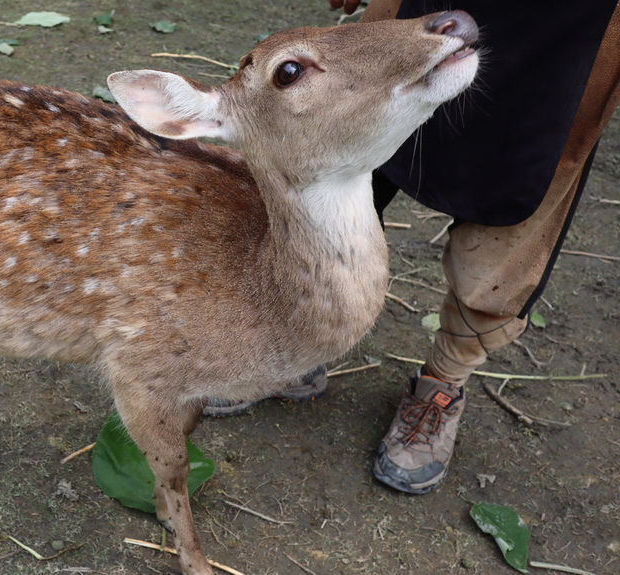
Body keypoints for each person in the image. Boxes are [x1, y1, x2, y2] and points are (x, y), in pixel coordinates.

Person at [207, 0, 620, 495]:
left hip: (571, 30)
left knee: (518, 205)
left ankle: (444, 381)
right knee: (329, 153)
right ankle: (304, 337)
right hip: (417, 15)